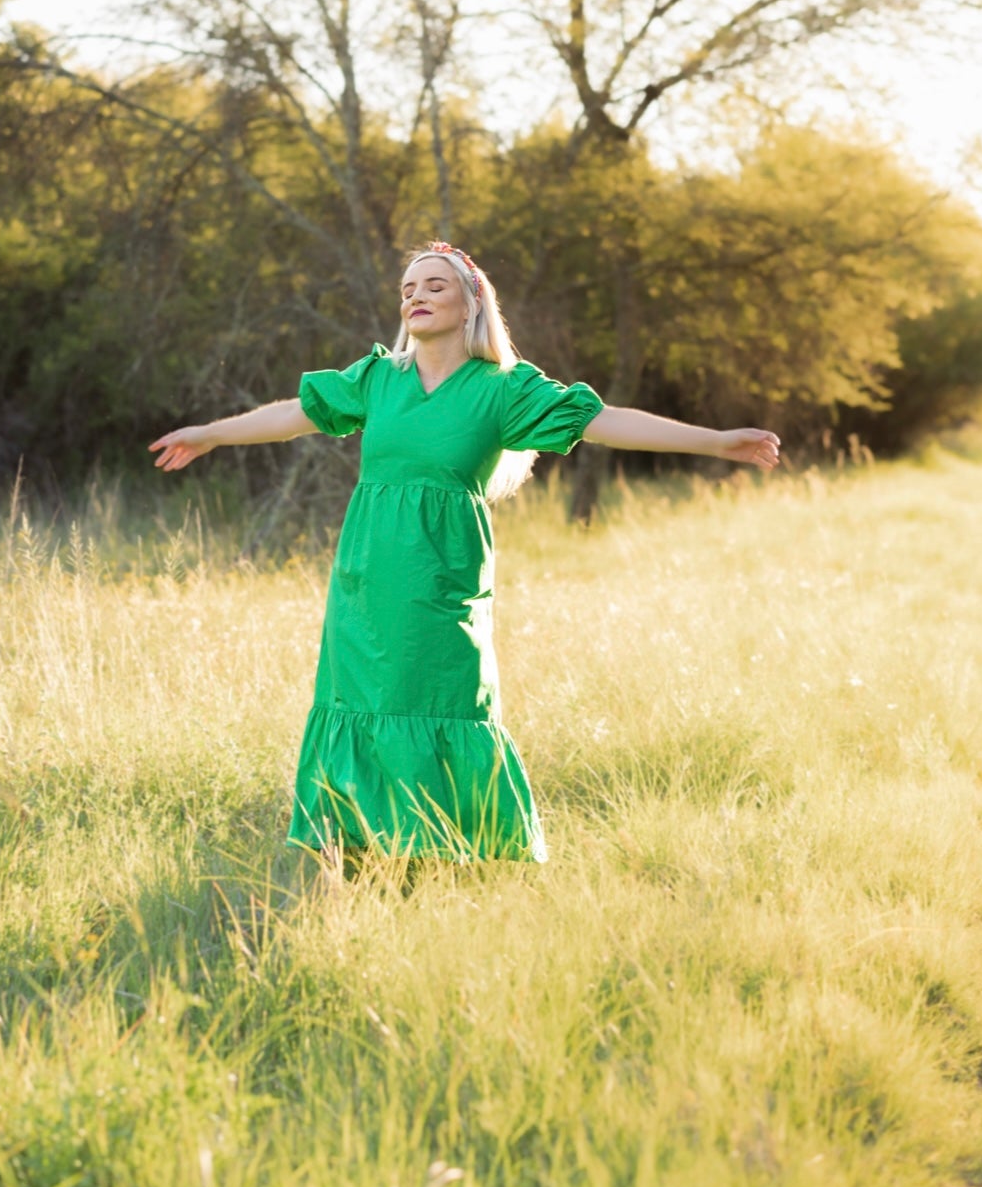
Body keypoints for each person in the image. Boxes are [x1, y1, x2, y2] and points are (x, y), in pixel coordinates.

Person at [150, 243, 780, 870]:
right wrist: (209, 434)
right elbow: (296, 414)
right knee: (360, 702)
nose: (415, 297)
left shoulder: (503, 390)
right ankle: (362, 852)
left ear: (471, 301)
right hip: (366, 583)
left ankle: (447, 855)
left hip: (443, 580)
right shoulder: (378, 379)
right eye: (407, 289)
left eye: (433, 286)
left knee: (445, 700)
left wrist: (717, 442)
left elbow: (602, 422)